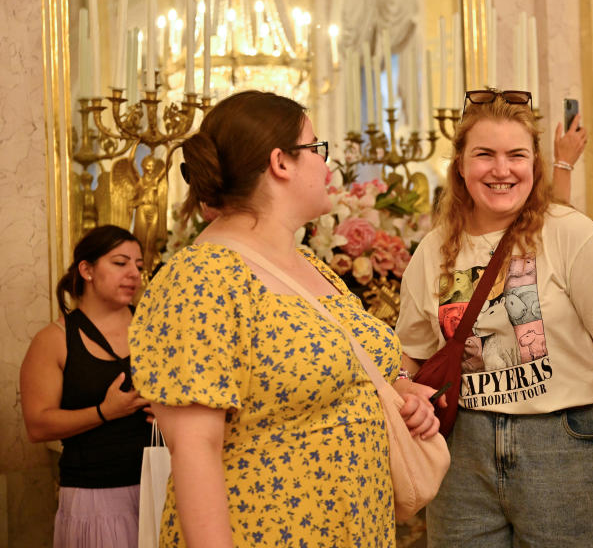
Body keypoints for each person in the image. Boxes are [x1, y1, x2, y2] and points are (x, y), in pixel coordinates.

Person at [129, 91, 439, 547]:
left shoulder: (306, 262)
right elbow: (195, 451)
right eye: (317, 148)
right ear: (281, 163)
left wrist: (398, 393)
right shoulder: (202, 278)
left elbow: (324, 373)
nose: (325, 164)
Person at [395, 89, 593, 547]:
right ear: (460, 164)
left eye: (516, 155)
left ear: (535, 164)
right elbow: (409, 359)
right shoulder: (434, 251)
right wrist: (403, 387)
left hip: (567, 446)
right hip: (464, 452)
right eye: (484, 155)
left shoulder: (572, 235)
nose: (502, 170)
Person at [20, 225, 151, 548]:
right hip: (95, 495)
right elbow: (38, 425)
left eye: (138, 265)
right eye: (121, 263)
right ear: (87, 269)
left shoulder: (154, 328)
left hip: (159, 484)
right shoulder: (53, 340)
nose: (133, 273)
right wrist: (105, 412)